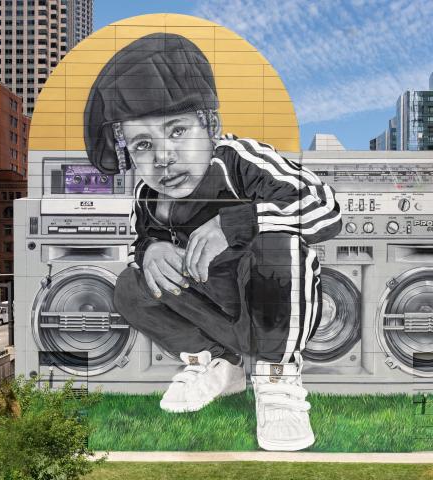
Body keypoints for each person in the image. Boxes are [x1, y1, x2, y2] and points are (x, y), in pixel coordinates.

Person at [84, 32, 342, 451]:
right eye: (144, 144)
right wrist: (151, 250)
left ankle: (277, 379)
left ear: (211, 125)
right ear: (129, 152)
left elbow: (325, 209)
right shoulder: (147, 195)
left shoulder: (242, 160)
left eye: (178, 131)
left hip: (270, 305)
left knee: (279, 244)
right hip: (212, 313)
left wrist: (235, 223)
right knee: (132, 285)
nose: (163, 157)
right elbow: (141, 243)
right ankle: (219, 364)